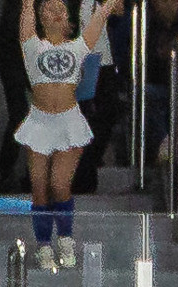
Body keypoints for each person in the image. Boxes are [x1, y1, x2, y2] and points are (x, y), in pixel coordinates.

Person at [19, 0, 120, 268]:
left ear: (69, 20)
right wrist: (28, 5)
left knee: (59, 184)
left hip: (68, 121)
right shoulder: (32, 46)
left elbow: (98, 21)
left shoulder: (76, 47)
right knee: (39, 187)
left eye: (60, 9)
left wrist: (107, 7)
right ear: (41, 18)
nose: (54, 12)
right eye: (48, 9)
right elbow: (26, 12)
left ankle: (65, 237)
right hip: (39, 122)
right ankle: (43, 245)